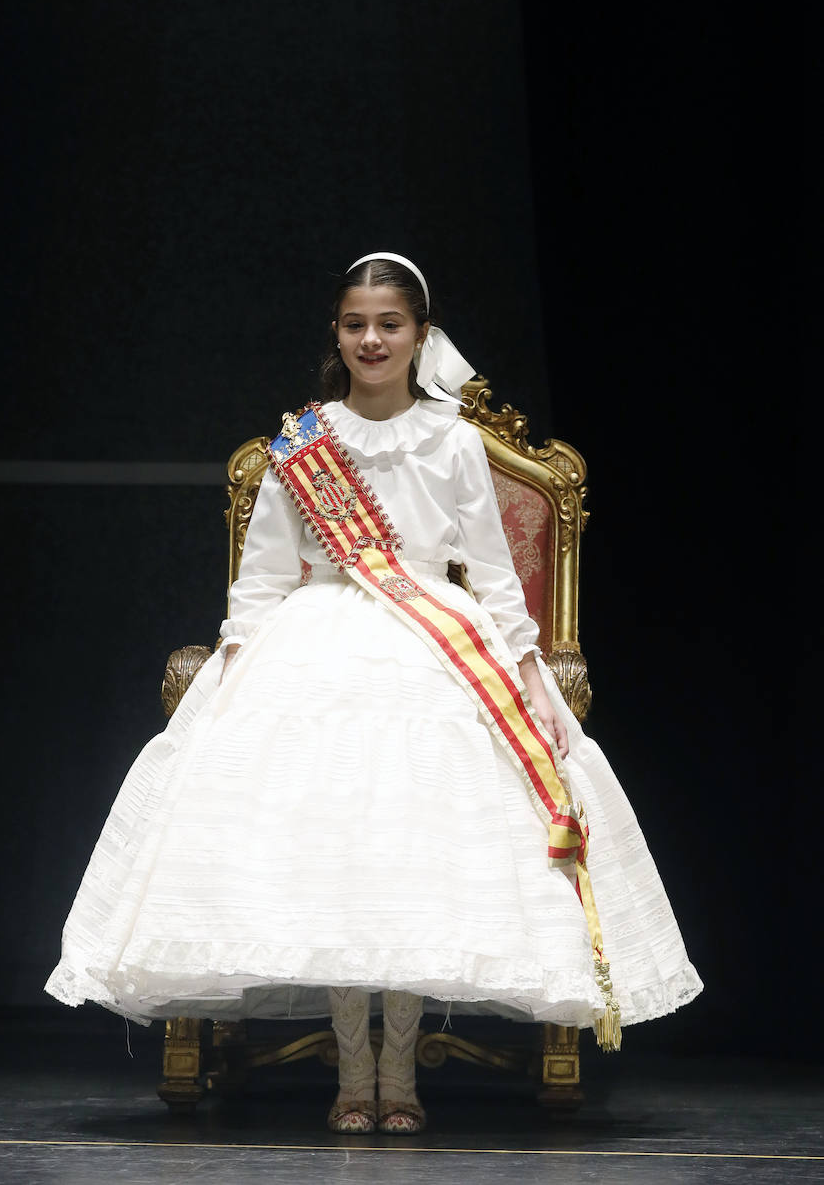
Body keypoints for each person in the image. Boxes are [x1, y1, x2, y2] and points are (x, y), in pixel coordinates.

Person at [46, 253, 702, 1135]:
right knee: (337, 859)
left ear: (419, 336)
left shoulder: (456, 441)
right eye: (355, 324)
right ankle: (354, 1073)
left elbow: (498, 578)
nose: (371, 340)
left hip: (436, 641)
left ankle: (402, 1073)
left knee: (408, 856)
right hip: (315, 643)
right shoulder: (300, 446)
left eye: (389, 325)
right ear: (338, 335)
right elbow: (266, 579)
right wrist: (236, 662)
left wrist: (528, 669)